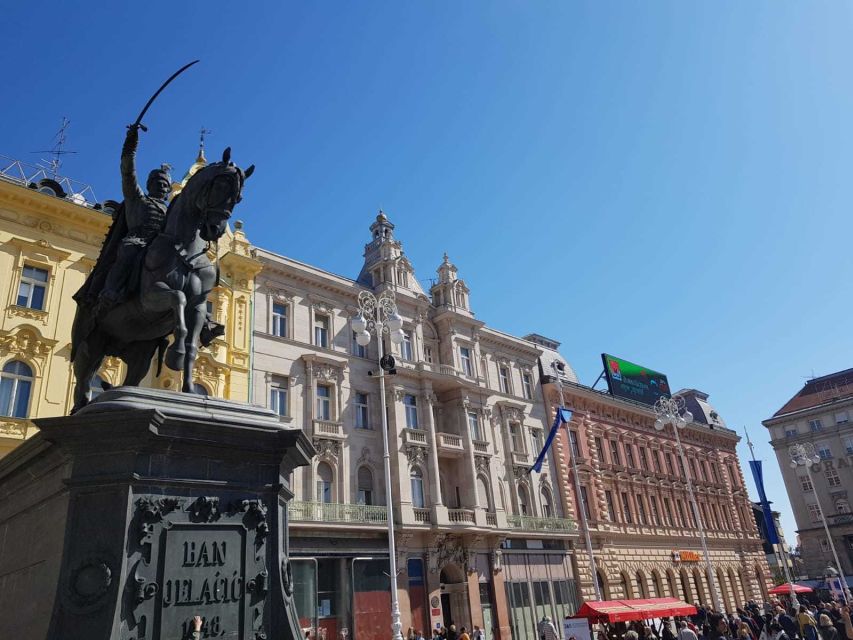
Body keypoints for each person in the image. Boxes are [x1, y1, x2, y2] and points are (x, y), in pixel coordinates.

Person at [99, 124, 171, 308]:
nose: (162, 187)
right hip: (137, 241)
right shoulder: (137, 198)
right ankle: (111, 291)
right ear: (149, 185)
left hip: (160, 248)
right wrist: (131, 142)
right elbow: (127, 171)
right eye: (158, 182)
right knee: (129, 250)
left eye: (165, 185)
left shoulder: (170, 211)